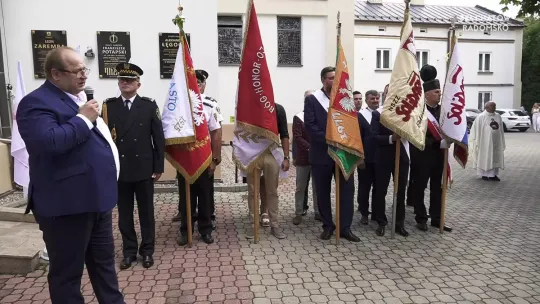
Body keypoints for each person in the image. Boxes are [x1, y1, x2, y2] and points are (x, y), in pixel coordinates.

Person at [16, 46, 124, 303]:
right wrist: (84, 119)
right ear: (55, 74)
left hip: (96, 202)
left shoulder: (74, 98)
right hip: (66, 207)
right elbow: (50, 143)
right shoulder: (35, 103)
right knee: (67, 275)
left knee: (105, 268)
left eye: (84, 70)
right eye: (76, 71)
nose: (83, 76)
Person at [102, 63, 165, 269]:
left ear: (138, 84)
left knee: (147, 213)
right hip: (120, 170)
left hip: (144, 168)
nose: (125, 83)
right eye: (122, 80)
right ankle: (129, 251)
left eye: (129, 80)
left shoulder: (148, 106)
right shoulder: (108, 106)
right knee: (124, 214)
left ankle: (147, 250)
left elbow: (158, 138)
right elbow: (104, 140)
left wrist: (158, 166)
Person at [304, 66, 360, 242]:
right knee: (323, 192)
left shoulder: (346, 101)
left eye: (336, 78)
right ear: (323, 80)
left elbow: (353, 126)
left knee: (347, 191)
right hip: (322, 154)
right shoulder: (313, 100)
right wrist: (331, 138)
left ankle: (345, 228)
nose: (333, 81)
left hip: (344, 153)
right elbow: (310, 126)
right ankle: (328, 225)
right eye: (330, 78)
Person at [172, 69, 224, 230]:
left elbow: (216, 132)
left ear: (203, 86)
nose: (196, 85)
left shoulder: (209, 104)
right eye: (192, 82)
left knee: (205, 194)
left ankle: (206, 228)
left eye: (199, 83)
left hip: (204, 157)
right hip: (185, 156)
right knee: (185, 195)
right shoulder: (178, 105)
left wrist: (215, 158)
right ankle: (186, 228)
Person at [408, 65, 451, 232]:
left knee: (438, 187)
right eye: (436, 92)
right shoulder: (418, 112)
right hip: (422, 155)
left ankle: (437, 218)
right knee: (420, 187)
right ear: (426, 95)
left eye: (439, 92)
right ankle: (421, 217)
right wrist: (435, 143)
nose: (439, 94)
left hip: (440, 156)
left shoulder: (442, 110)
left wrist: (450, 140)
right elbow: (416, 134)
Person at [245, 103, 290, 239]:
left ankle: (274, 225)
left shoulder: (278, 109)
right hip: (253, 154)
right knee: (253, 191)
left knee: (272, 191)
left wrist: (286, 157)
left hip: (272, 152)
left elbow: (284, 134)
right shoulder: (249, 106)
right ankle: (253, 225)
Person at [371, 107, 410, 237]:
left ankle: (399, 223)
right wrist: (391, 138)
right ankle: (381, 221)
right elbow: (374, 136)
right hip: (383, 157)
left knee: (400, 191)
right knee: (381, 190)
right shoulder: (378, 114)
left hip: (402, 157)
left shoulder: (405, 112)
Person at [292, 90, 319, 225]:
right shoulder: (299, 117)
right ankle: (298, 212)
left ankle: (318, 212)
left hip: (318, 158)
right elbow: (297, 137)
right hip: (303, 157)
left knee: (317, 186)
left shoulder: (320, 115)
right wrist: (311, 148)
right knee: (301, 186)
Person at [357, 90, 379, 224]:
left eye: (377, 98)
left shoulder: (383, 114)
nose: (375, 100)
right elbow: (357, 138)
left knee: (379, 188)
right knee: (364, 187)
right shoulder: (360, 116)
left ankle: (376, 213)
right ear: (366, 100)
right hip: (365, 159)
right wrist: (360, 158)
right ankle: (364, 213)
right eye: (372, 99)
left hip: (380, 159)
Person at [470, 101, 506, 181]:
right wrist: (478, 142)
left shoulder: (498, 116)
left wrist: (501, 139)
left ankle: (493, 175)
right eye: (493, 106)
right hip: (484, 142)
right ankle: (484, 174)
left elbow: (501, 129)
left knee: (495, 156)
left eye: (495, 106)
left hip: (496, 141)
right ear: (487, 107)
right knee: (485, 156)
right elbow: (477, 130)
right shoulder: (481, 117)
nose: (495, 108)